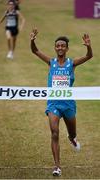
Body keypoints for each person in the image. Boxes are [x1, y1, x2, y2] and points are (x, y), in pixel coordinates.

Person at [30, 28, 93, 176]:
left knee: (72, 133)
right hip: (53, 104)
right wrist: (32, 41)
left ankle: (72, 139)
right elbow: (35, 51)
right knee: (54, 133)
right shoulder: (51, 62)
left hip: (68, 104)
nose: (60, 47)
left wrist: (89, 46)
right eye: (57, 45)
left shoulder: (72, 63)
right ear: (55, 47)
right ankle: (57, 166)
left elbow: (89, 56)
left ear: (67, 48)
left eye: (62, 46)